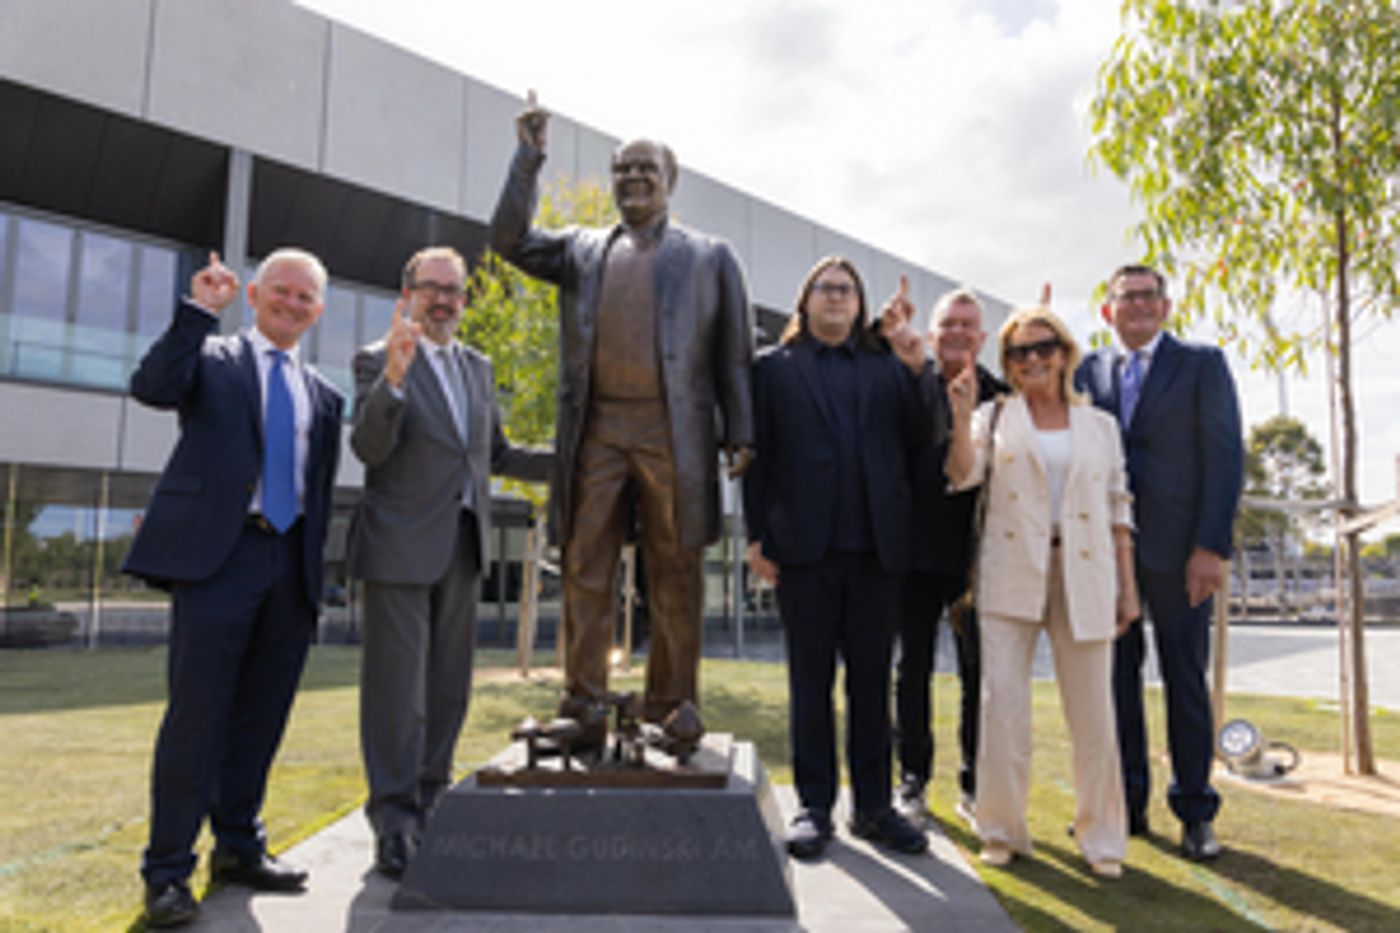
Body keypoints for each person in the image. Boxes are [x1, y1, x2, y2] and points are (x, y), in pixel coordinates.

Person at [490, 93, 754, 740]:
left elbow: (736, 357)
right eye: (623, 170)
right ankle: (582, 702)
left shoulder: (710, 256)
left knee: (676, 571)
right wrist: (528, 161)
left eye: (647, 169)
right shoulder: (580, 248)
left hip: (674, 433)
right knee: (584, 567)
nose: (634, 179)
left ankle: (671, 704)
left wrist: (741, 429)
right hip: (597, 432)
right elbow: (509, 239)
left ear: (670, 180)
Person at [123, 249, 343, 928]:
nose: (292, 303)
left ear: (319, 309)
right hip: (219, 559)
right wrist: (196, 313)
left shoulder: (326, 396)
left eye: (305, 297)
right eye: (281, 290)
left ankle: (239, 846)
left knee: (260, 717)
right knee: (197, 716)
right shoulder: (213, 358)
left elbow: (319, 488)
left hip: (290, 563)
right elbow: (153, 386)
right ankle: (167, 872)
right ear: (253, 293)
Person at [347, 246, 550, 879]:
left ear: (466, 300)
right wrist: (397, 380)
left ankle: (432, 799)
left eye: (454, 290)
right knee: (395, 693)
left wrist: (576, 452)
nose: (443, 299)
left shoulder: (478, 368)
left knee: (446, 688)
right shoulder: (376, 361)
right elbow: (369, 448)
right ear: (406, 293)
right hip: (399, 548)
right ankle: (392, 816)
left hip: (463, 547)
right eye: (430, 288)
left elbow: (495, 453)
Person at [744, 257, 934, 861]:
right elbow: (757, 457)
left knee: (872, 685)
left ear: (859, 305)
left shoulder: (888, 368)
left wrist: (917, 365)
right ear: (805, 301)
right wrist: (755, 536)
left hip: (878, 550)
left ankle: (874, 809)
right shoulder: (771, 370)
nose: (835, 298)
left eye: (846, 291)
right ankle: (814, 807)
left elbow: (923, 436)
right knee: (810, 682)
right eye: (824, 288)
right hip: (804, 551)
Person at [946, 304, 1138, 878]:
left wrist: (1128, 589)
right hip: (1010, 569)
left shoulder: (1100, 425)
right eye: (1019, 352)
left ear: (1064, 353)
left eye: (1043, 347)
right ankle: (1001, 828)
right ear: (1005, 363)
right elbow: (962, 475)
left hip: (1088, 570)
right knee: (1002, 707)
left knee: (1095, 716)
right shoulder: (994, 415)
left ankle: (1101, 836)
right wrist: (959, 419)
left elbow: (1118, 508)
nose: (1033, 359)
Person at [1075, 264, 1243, 861]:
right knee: (1114, 682)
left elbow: (1225, 459)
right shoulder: (1086, 370)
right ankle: (1128, 806)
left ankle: (1195, 810)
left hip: (1181, 554)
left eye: (1150, 296)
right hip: (1106, 553)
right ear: (1108, 310)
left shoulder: (1203, 364)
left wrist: (1211, 547)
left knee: (1184, 683)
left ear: (1166, 307)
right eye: (1127, 297)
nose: (1140, 305)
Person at [880, 287, 1007, 827]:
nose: (956, 332)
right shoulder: (908, 383)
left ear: (982, 337)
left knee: (981, 676)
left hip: (979, 560)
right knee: (911, 672)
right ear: (932, 336)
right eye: (947, 324)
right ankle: (913, 779)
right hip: (912, 557)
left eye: (967, 325)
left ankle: (976, 782)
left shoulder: (1004, 398)